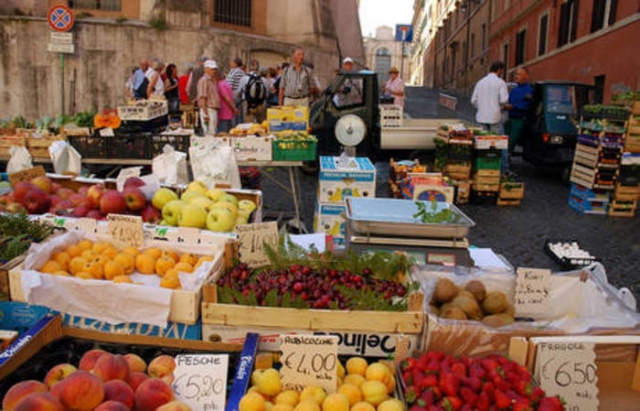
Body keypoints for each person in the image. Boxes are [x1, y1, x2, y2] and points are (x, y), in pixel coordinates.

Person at [471, 61, 509, 134]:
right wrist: (501, 106)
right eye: (501, 71)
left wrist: (481, 107)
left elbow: (473, 100)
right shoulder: (500, 82)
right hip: (495, 117)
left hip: (481, 116)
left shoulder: (480, 82)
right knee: (497, 142)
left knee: (482, 142)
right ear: (499, 70)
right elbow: (504, 100)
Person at [505, 67, 533, 157]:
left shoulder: (529, 90)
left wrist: (514, 106)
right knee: (505, 140)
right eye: (516, 74)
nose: (516, 76)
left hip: (519, 120)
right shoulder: (513, 90)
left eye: (519, 74)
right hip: (509, 118)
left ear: (526, 76)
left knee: (512, 141)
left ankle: (506, 161)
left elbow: (527, 105)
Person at [238, 59, 270, 123]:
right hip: (261, 104)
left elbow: (239, 92)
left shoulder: (244, 78)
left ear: (249, 68)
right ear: (258, 68)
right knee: (262, 124)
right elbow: (266, 94)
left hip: (248, 104)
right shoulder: (263, 79)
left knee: (249, 125)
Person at [197, 60, 220, 135]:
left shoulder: (213, 80)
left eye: (215, 69)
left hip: (213, 109)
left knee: (213, 131)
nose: (214, 71)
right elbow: (203, 97)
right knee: (209, 133)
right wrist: (205, 113)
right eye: (212, 69)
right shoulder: (204, 80)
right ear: (206, 69)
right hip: (208, 109)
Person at [226, 57, 245, 124]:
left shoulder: (235, 72)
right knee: (238, 113)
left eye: (232, 62)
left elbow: (230, 84)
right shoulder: (241, 72)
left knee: (234, 112)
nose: (230, 64)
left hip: (234, 94)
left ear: (235, 63)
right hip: (237, 94)